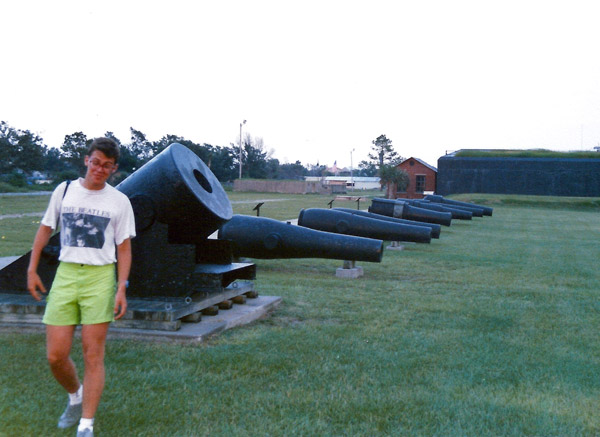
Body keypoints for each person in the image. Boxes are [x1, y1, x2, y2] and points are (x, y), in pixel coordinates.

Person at [27, 137, 136, 437]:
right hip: (66, 275)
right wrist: (32, 268)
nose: (100, 169)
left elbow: (124, 248)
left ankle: (86, 424)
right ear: (87, 160)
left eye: (108, 166)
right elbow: (45, 229)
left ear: (114, 170)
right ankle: (75, 395)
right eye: (96, 162)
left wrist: (121, 287)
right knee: (56, 355)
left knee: (93, 354)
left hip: (99, 278)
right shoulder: (64, 191)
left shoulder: (119, 202)